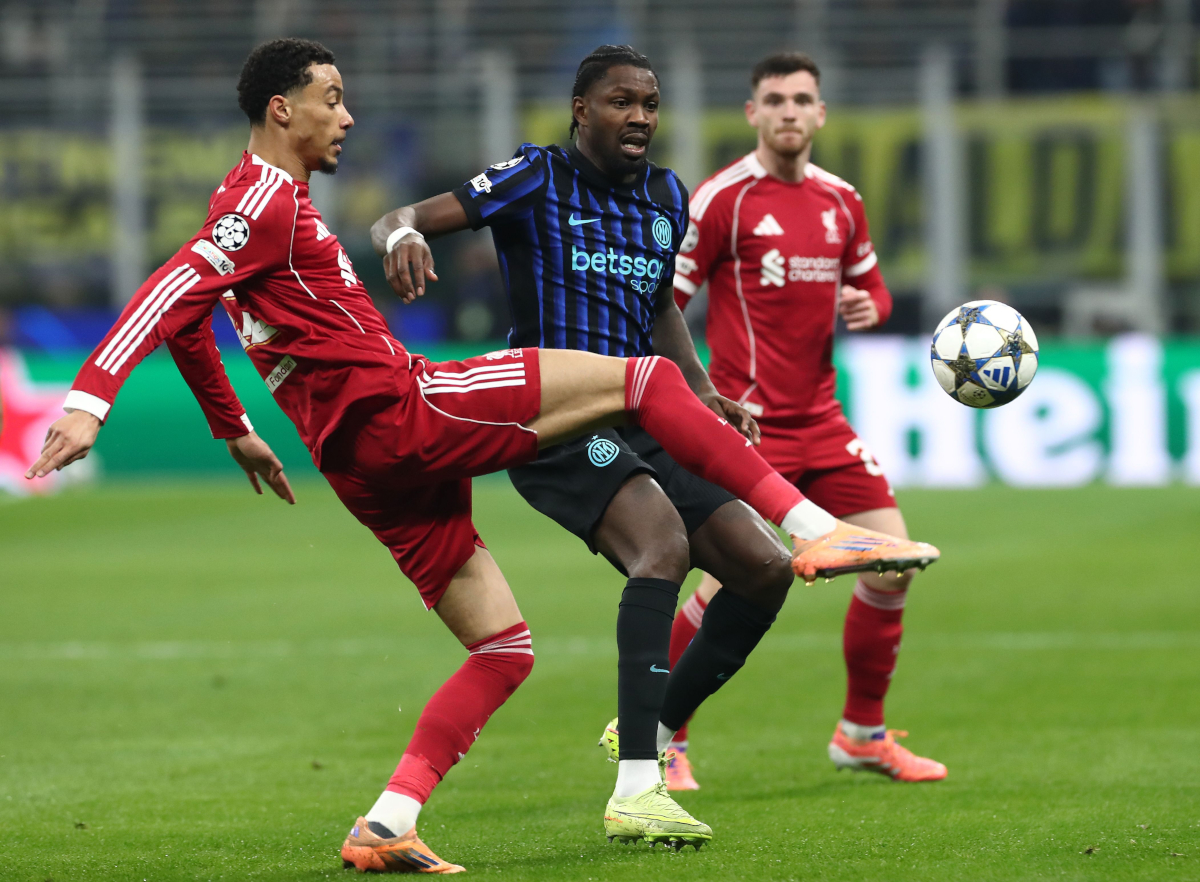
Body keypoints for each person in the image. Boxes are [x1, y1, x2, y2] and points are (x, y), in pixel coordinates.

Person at [28, 39, 935, 873]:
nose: (347, 116)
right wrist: (89, 398)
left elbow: (193, 317)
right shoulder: (263, 200)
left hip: (359, 467)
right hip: (404, 409)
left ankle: (389, 821)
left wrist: (232, 425)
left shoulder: (260, 202)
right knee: (648, 385)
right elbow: (173, 288)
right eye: (332, 99)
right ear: (281, 109)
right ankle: (814, 529)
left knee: (504, 648)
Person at [372, 43, 941, 818]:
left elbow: (661, 305)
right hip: (558, 424)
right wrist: (401, 235)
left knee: (762, 568)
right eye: (621, 102)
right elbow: (402, 215)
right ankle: (639, 784)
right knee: (662, 546)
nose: (638, 117)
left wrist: (702, 391)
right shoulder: (536, 175)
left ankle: (658, 729)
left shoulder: (666, 194)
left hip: (644, 417)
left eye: (649, 104)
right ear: (581, 110)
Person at [663, 52, 948, 789]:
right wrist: (691, 395)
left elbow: (875, 290)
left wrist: (868, 306)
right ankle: (665, 739)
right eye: (774, 99)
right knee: (724, 586)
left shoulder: (841, 201)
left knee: (895, 563)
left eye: (800, 99)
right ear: (753, 113)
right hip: (750, 431)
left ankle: (861, 735)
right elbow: (666, 302)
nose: (788, 111)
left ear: (820, 113)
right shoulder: (722, 200)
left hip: (824, 422)